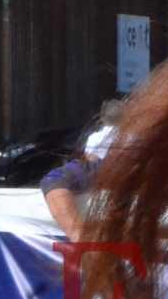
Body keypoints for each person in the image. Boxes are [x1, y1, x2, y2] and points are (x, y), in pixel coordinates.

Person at [40, 99, 123, 242]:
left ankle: (81, 240)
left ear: (102, 118)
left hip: (104, 171)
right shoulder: (135, 136)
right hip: (128, 176)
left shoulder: (95, 137)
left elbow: (90, 159)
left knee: (53, 179)